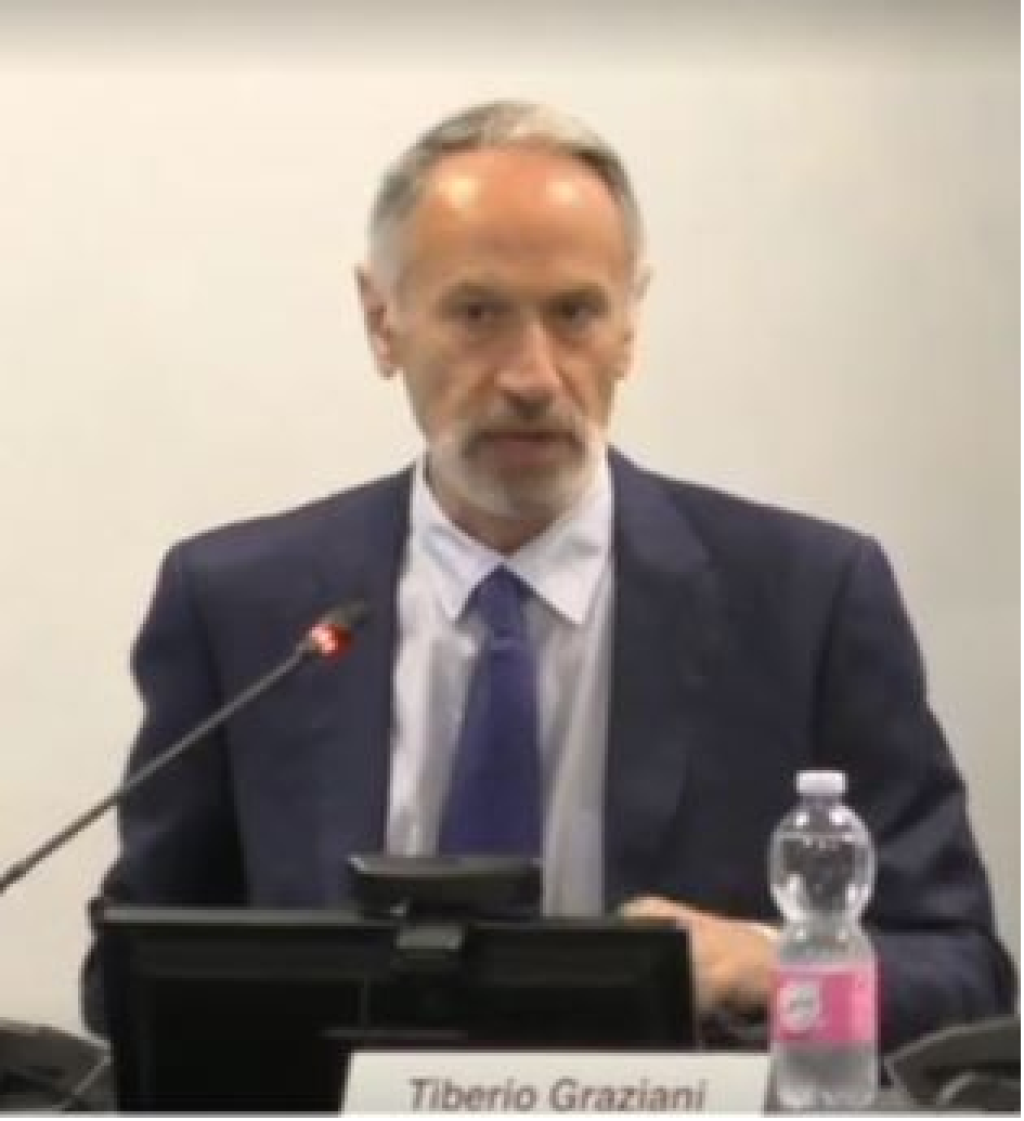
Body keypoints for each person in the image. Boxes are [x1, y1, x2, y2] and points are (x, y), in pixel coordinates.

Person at [81, 99, 1013, 1046]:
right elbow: (129, 979)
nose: (531, 375)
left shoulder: (809, 602)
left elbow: (964, 974)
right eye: (478, 314)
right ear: (382, 321)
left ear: (629, 325)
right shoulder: (240, 608)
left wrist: (782, 968)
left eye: (575, 314)